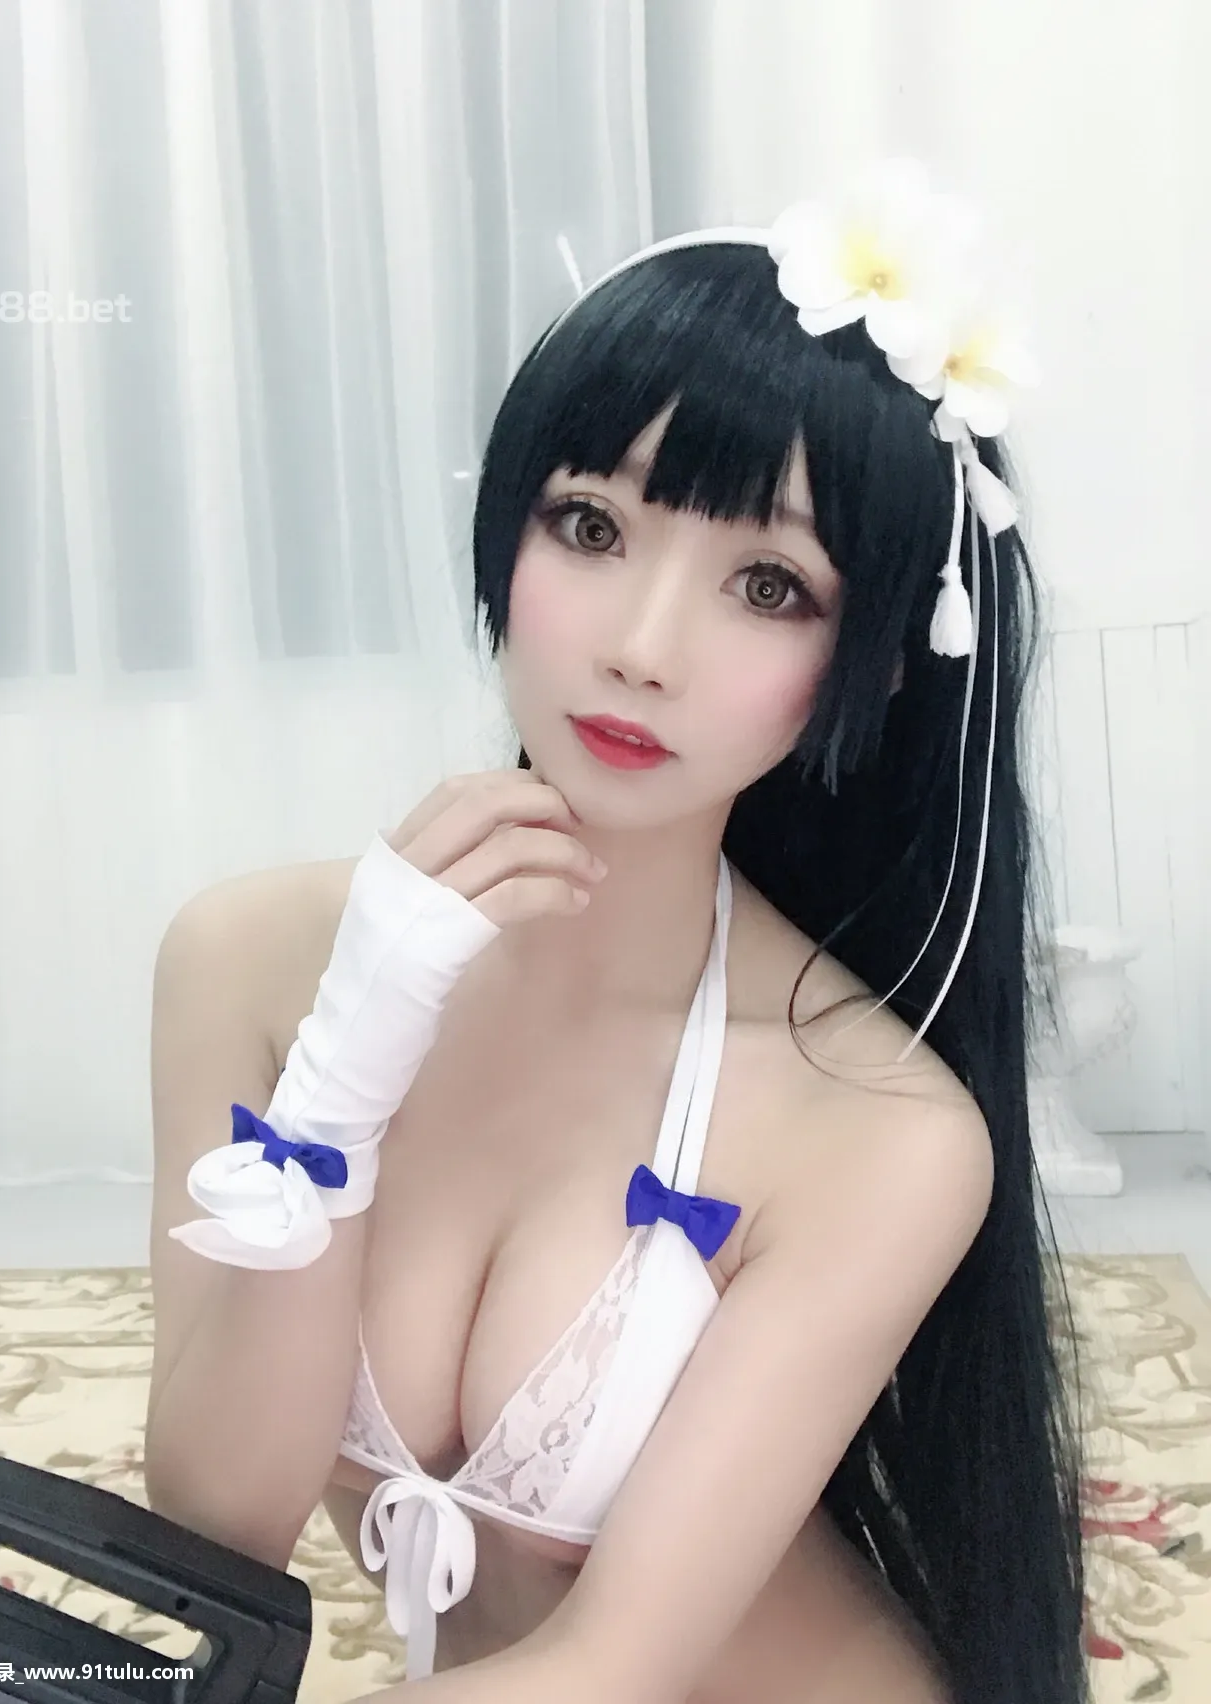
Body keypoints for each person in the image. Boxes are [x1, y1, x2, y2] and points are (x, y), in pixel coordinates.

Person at [143, 161, 1089, 1704]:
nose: (644, 648)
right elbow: (218, 1525)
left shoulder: (879, 1128)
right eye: (590, 524)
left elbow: (613, 1666)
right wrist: (340, 1073)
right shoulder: (247, 963)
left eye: (769, 585)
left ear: (872, 662)